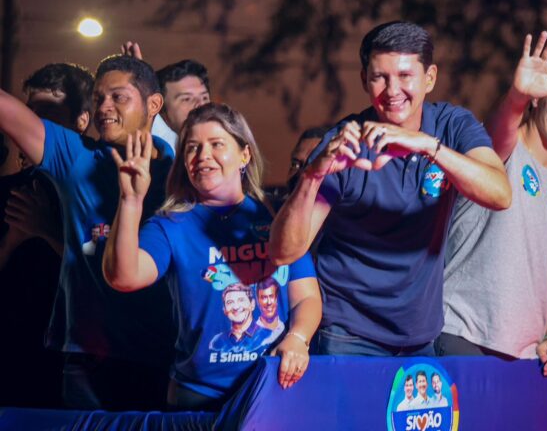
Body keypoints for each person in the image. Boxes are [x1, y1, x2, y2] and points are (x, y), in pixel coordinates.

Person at [269, 21, 511, 356]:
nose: (392, 90)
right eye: (380, 77)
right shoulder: (345, 142)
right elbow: (284, 252)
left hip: (420, 336)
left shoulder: (451, 126)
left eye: (405, 75)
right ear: (364, 80)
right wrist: (312, 175)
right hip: (348, 334)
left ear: (430, 77)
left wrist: (426, 145)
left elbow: (500, 194)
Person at [104, 103, 321, 410]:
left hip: (271, 386)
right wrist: (130, 201)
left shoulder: (277, 217)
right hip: (198, 396)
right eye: (193, 148)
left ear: (244, 155)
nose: (203, 155)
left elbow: (306, 297)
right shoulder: (171, 224)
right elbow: (123, 277)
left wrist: (298, 338)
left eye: (217, 144)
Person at [0, 55, 175, 410]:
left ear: (154, 104)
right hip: (88, 361)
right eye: (98, 98)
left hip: (165, 356)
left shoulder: (180, 173)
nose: (104, 107)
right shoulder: (77, 158)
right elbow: (8, 111)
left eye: (118, 97)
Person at [438, 32, 547, 378]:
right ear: (538, 97)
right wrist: (516, 96)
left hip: (526, 354)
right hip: (463, 334)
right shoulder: (499, 151)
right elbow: (499, 133)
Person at [0, 63, 93, 408]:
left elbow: (104, 277)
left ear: (81, 121)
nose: (31, 124)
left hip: (76, 357)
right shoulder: (9, 190)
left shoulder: (100, 189)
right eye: (29, 112)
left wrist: (46, 230)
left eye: (47, 114)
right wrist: (12, 241)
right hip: (12, 351)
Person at [121, 41, 211, 153]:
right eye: (187, 99)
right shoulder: (162, 153)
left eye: (205, 98)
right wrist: (142, 91)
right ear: (158, 107)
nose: (201, 105)